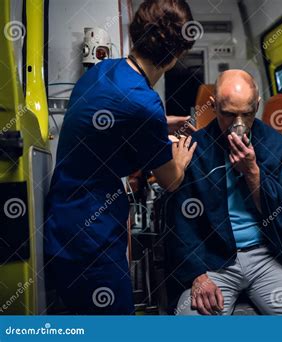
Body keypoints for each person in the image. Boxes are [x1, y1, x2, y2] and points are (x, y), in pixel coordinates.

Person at [44, 0, 197, 315]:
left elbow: (113, 117)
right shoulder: (145, 104)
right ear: (176, 55)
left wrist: (163, 122)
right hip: (92, 241)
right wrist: (180, 156)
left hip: (63, 221)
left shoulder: (102, 70)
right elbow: (170, 180)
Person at [165, 70, 282, 315]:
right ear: (214, 106)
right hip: (212, 262)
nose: (239, 124)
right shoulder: (195, 149)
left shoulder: (279, 147)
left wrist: (252, 173)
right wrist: (197, 275)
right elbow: (181, 222)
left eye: (247, 114)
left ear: (257, 105)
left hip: (267, 257)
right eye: (229, 114)